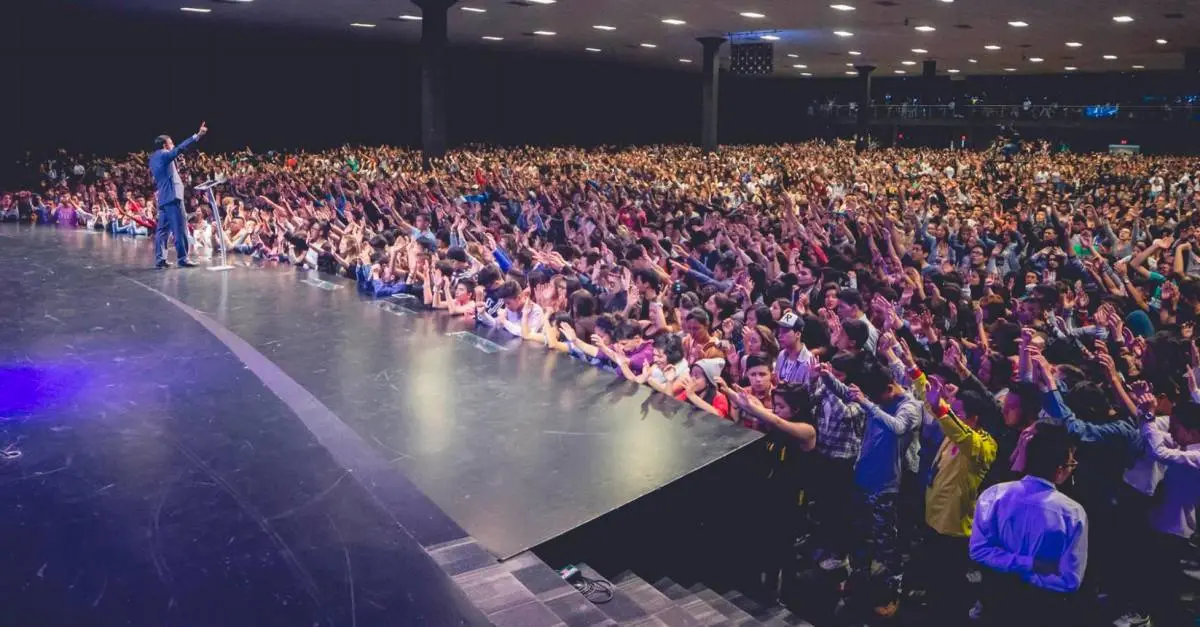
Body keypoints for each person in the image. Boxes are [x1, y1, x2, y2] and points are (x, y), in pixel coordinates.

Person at [969, 421, 1087, 627]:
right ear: (1059, 470)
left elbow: (979, 550)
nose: (1072, 468)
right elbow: (1070, 579)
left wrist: (1016, 569)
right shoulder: (1072, 512)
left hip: (995, 595)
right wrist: (1031, 569)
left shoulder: (994, 495)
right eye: (1071, 463)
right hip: (1042, 607)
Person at [150, 121, 207, 268]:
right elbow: (180, 149)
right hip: (173, 197)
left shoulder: (153, 158)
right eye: (171, 143)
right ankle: (183, 258)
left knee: (162, 231)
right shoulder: (164, 155)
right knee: (180, 228)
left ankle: (160, 259)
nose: (173, 145)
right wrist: (197, 136)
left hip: (163, 198)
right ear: (165, 145)